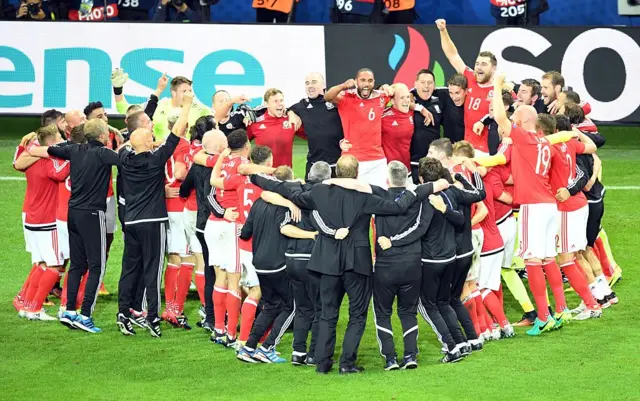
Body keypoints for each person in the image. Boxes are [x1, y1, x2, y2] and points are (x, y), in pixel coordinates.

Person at [249, 155, 430, 374]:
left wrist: (253, 177)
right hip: (358, 264)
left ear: (336, 172)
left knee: (327, 313)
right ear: (356, 173)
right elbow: (397, 206)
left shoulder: (319, 192)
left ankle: (323, 363)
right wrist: (424, 188)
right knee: (357, 315)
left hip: (327, 263)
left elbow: (286, 190)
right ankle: (347, 363)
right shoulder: (366, 194)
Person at [492, 73, 571, 335]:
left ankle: (543, 316)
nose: (512, 117)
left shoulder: (523, 137)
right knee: (549, 257)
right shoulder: (543, 141)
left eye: (516, 115)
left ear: (524, 121)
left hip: (533, 207)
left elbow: (500, 119)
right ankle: (561, 310)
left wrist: (496, 85)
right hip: (549, 205)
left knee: (531, 260)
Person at [29, 118, 120, 333]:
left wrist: (31, 145)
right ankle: (85, 314)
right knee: (97, 266)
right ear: (102, 135)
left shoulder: (74, 150)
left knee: (78, 264)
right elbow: (127, 161)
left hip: (73, 214)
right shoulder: (104, 153)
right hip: (92, 214)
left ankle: (69, 311)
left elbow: (46, 149)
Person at [115, 89, 192, 337]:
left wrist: (143, 141)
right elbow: (176, 133)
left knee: (129, 269)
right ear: (149, 144)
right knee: (153, 270)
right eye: (150, 137)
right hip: (154, 221)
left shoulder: (125, 158)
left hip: (132, 221)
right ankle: (152, 318)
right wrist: (187, 106)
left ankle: (123, 314)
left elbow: (130, 145)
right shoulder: (156, 160)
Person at [537, 114, 603, 320]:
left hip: (567, 208)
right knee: (572, 257)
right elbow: (592, 147)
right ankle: (590, 301)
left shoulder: (550, 149)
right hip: (578, 204)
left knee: (566, 260)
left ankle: (593, 304)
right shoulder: (568, 144)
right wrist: (575, 133)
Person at [236, 165, 300, 364]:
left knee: (271, 306)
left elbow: (245, 233)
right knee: (292, 306)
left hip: (260, 263)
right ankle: (267, 347)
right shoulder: (288, 205)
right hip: (278, 263)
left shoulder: (257, 203)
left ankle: (248, 347)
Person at [325, 68, 430, 188]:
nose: (366, 84)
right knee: (353, 196)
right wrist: (343, 86)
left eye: (370, 81)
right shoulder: (346, 98)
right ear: (356, 81)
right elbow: (328, 97)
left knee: (380, 195)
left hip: (377, 159)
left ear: (374, 82)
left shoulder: (381, 97)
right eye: (362, 80)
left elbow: (401, 101)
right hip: (354, 159)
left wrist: (419, 108)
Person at [179, 130, 235, 332]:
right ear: (221, 147)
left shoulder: (196, 166)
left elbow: (184, 190)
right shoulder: (225, 166)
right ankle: (221, 317)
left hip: (202, 225)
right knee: (227, 271)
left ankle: (212, 316)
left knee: (212, 270)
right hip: (222, 222)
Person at [17, 125, 69, 321]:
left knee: (41, 264)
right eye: (58, 137)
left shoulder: (30, 162)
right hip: (47, 221)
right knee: (55, 265)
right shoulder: (50, 162)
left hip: (32, 218)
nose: (62, 139)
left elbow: (19, 163)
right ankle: (36, 308)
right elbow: (62, 173)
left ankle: (27, 305)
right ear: (50, 143)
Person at [436, 19, 496, 156]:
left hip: (487, 151)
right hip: (466, 148)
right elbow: (452, 55)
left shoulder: (499, 90)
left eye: (484, 64)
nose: (479, 67)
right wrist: (443, 31)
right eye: (477, 63)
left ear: (493, 68)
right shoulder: (470, 78)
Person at [113, 71, 211, 140]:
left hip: (186, 158)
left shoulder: (200, 109)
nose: (188, 94)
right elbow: (124, 109)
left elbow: (217, 120)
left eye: (190, 91)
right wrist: (118, 88)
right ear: (173, 92)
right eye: (184, 91)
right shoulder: (159, 106)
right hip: (160, 158)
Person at [287, 72, 344, 180]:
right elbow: (288, 109)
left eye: (314, 82)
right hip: (313, 166)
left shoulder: (335, 102)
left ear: (323, 85)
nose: (310, 86)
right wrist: (290, 113)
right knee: (310, 195)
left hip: (337, 165)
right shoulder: (302, 105)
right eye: (307, 83)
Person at [247, 88, 305, 168]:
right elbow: (242, 145)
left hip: (285, 175)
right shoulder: (256, 123)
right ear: (266, 104)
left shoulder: (291, 120)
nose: (280, 104)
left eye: (281, 101)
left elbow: (310, 136)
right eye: (275, 101)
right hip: (264, 176)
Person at [410, 70, 445, 184]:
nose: (426, 86)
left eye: (429, 83)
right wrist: (418, 108)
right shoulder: (407, 100)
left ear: (434, 86)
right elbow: (394, 93)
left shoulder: (439, 101)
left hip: (434, 164)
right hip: (413, 163)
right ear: (415, 84)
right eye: (422, 82)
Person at [381, 84, 414, 186]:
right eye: (401, 98)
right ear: (392, 101)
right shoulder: (383, 118)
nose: (406, 101)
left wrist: (421, 108)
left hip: (407, 171)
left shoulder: (412, 113)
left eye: (407, 97)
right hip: (388, 173)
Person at [436, 73, 467, 144]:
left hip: (468, 149)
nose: (454, 97)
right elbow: (422, 90)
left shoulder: (473, 102)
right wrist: (411, 95)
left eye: (457, 93)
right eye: (451, 93)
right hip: (450, 148)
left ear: (466, 91)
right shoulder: (444, 94)